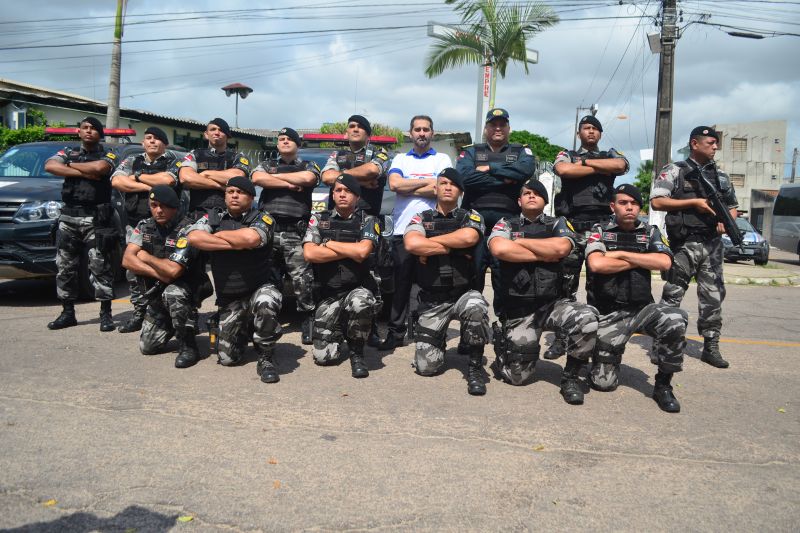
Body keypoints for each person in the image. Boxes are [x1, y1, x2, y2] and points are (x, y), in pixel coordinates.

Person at [487, 179, 599, 405]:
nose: (531, 196)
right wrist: (544, 254)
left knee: (587, 317)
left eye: (537, 194)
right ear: (519, 200)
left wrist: (519, 245)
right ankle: (505, 349)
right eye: (526, 193)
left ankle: (571, 378)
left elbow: (561, 248)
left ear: (545, 201)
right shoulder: (505, 223)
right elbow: (499, 248)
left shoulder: (559, 223)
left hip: (552, 305)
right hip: (520, 308)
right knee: (516, 377)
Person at [585, 184, 688, 412]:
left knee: (675, 318)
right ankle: (601, 358)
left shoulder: (650, 232)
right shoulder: (599, 230)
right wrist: (642, 258)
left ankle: (663, 385)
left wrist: (620, 254)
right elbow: (597, 263)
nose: (629, 207)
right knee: (604, 383)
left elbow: (663, 262)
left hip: (642, 309)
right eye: (623, 203)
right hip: (609, 312)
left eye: (633, 203)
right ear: (613, 206)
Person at [651, 126, 738, 369]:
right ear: (694, 143)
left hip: (712, 244)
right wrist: (694, 202)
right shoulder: (675, 171)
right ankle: (663, 344)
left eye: (716, 143)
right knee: (672, 295)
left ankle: (711, 345)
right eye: (710, 142)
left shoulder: (721, 176)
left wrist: (727, 221)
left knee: (713, 297)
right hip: (684, 243)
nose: (715, 146)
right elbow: (657, 201)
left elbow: (732, 206)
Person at [185, 176, 283, 383]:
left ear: (251, 197)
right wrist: (234, 243)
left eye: (241, 192)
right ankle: (246, 331)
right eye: (230, 192)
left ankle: (266, 357)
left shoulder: (263, 218)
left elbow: (251, 238)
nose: (235, 196)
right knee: (228, 359)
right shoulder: (212, 217)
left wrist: (215, 237)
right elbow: (193, 238)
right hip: (230, 297)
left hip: (258, 288)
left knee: (266, 302)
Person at [547, 115, 629, 359]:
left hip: (601, 228)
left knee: (601, 285)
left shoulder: (611, 152)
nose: (591, 132)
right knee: (565, 286)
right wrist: (594, 165)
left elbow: (621, 166)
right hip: (572, 226)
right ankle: (561, 339)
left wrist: (584, 165)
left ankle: (597, 338)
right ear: (579, 133)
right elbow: (563, 169)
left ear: (600, 134)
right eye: (586, 128)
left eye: (595, 128)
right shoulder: (567, 153)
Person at [404, 168, 491, 396]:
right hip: (433, 298)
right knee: (426, 367)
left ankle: (474, 367)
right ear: (435, 188)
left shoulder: (471, 216)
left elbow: (469, 237)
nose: (448, 187)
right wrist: (455, 247)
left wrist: (431, 244)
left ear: (460, 191)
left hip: (464, 292)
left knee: (476, 308)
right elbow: (413, 244)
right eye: (443, 183)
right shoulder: (421, 217)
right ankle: (437, 339)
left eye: (453, 184)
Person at [379, 115, 452, 350]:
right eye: (417, 129)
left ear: (433, 133)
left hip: (433, 231)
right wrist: (426, 185)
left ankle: (429, 333)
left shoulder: (442, 158)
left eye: (426, 129)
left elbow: (442, 189)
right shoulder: (400, 157)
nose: (422, 133)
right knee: (401, 285)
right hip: (402, 230)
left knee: (432, 285)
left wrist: (409, 186)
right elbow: (394, 185)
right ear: (410, 133)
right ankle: (395, 332)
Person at [455, 108, 536, 316]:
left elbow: (525, 171)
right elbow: (464, 178)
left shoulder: (521, 151)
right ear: (486, 128)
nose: (498, 128)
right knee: (473, 277)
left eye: (502, 124)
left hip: (508, 222)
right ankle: (470, 330)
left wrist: (490, 168)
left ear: (508, 128)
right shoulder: (471, 151)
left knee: (505, 277)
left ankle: (505, 330)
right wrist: (506, 179)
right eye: (493, 124)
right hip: (475, 223)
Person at [121, 185, 211, 368]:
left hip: (186, 288)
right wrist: (157, 273)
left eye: (164, 206)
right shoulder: (144, 226)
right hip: (159, 290)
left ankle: (189, 346)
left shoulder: (188, 230)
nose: (158, 210)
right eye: (154, 205)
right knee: (147, 347)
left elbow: (173, 272)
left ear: (175, 207)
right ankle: (172, 323)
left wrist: (145, 257)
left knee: (174, 293)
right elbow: (127, 260)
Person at [320, 114, 390, 347]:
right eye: (351, 126)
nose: (355, 129)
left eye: (361, 127)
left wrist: (341, 177)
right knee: (334, 270)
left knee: (371, 275)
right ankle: (329, 323)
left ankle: (368, 329)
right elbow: (325, 176)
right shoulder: (336, 155)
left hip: (367, 219)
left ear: (368, 134)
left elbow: (373, 171)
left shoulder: (378, 153)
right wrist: (358, 180)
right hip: (338, 221)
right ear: (346, 133)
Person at [45, 117, 119, 332]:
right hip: (69, 217)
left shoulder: (109, 154)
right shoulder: (67, 152)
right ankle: (67, 313)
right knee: (65, 266)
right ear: (79, 131)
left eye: (93, 129)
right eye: (85, 128)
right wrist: (80, 169)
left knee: (100, 265)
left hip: (96, 217)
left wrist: (68, 167)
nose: (89, 131)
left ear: (100, 134)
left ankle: (106, 314)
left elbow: (100, 168)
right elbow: (50, 165)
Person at [303, 175, 379, 378]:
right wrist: (350, 250)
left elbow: (363, 252)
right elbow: (310, 254)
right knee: (323, 358)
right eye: (338, 190)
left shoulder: (369, 220)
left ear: (357, 196)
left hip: (357, 288)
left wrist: (328, 244)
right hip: (329, 293)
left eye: (348, 191)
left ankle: (357, 352)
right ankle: (339, 329)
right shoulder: (319, 219)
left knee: (361, 302)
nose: (342, 194)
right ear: (333, 194)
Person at [251, 127, 320, 345]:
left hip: (294, 231)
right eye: (281, 139)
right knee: (267, 276)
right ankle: (269, 317)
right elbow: (257, 178)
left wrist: (275, 178)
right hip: (269, 229)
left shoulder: (308, 165)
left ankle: (308, 317)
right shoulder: (266, 165)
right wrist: (290, 183)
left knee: (302, 279)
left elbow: (308, 178)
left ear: (298, 144)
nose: (285, 142)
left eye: (290, 139)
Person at [112, 127, 181, 333]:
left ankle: (173, 313)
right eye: (148, 138)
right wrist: (150, 187)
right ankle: (139, 313)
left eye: (158, 139)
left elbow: (167, 181)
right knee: (134, 271)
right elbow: (117, 181)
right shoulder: (132, 161)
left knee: (171, 268)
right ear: (143, 142)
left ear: (165, 144)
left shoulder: (173, 162)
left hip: (167, 227)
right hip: (136, 223)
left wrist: (136, 178)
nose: (152, 142)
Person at [178, 118, 250, 219]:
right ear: (206, 134)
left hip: (228, 217)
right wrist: (219, 186)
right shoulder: (194, 154)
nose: (216, 132)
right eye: (213, 129)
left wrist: (205, 174)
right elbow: (185, 178)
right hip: (197, 215)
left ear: (228, 135)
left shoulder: (238, 156)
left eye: (221, 130)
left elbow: (237, 177)